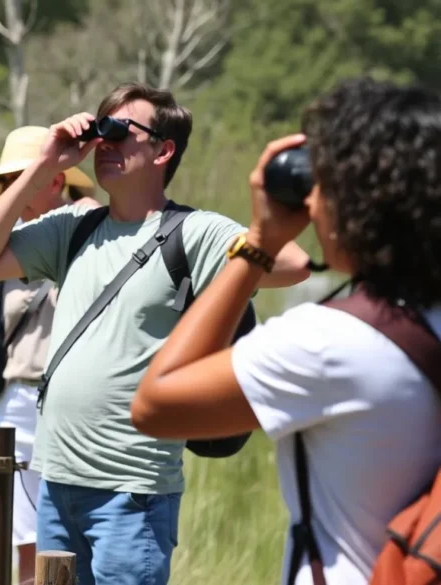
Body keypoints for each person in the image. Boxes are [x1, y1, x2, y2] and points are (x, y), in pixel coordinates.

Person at [0, 82, 312, 585]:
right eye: (101, 130)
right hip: (56, 481)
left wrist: (237, 257)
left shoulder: (194, 232)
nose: (106, 143)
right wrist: (43, 167)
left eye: (120, 131)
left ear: (164, 150)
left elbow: (293, 264)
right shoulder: (70, 229)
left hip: (131, 489)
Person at [131, 79, 441, 585]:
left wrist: (256, 244)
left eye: (325, 188)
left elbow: (155, 405)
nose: (314, 206)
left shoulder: (329, 343)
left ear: (363, 203)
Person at [0, 125, 98, 584]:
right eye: (6, 181)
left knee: (77, 535)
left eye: (21, 177)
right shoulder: (3, 248)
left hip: (81, 401)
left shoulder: (93, 232)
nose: (11, 190)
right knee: (23, 538)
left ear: (56, 179)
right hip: (20, 401)